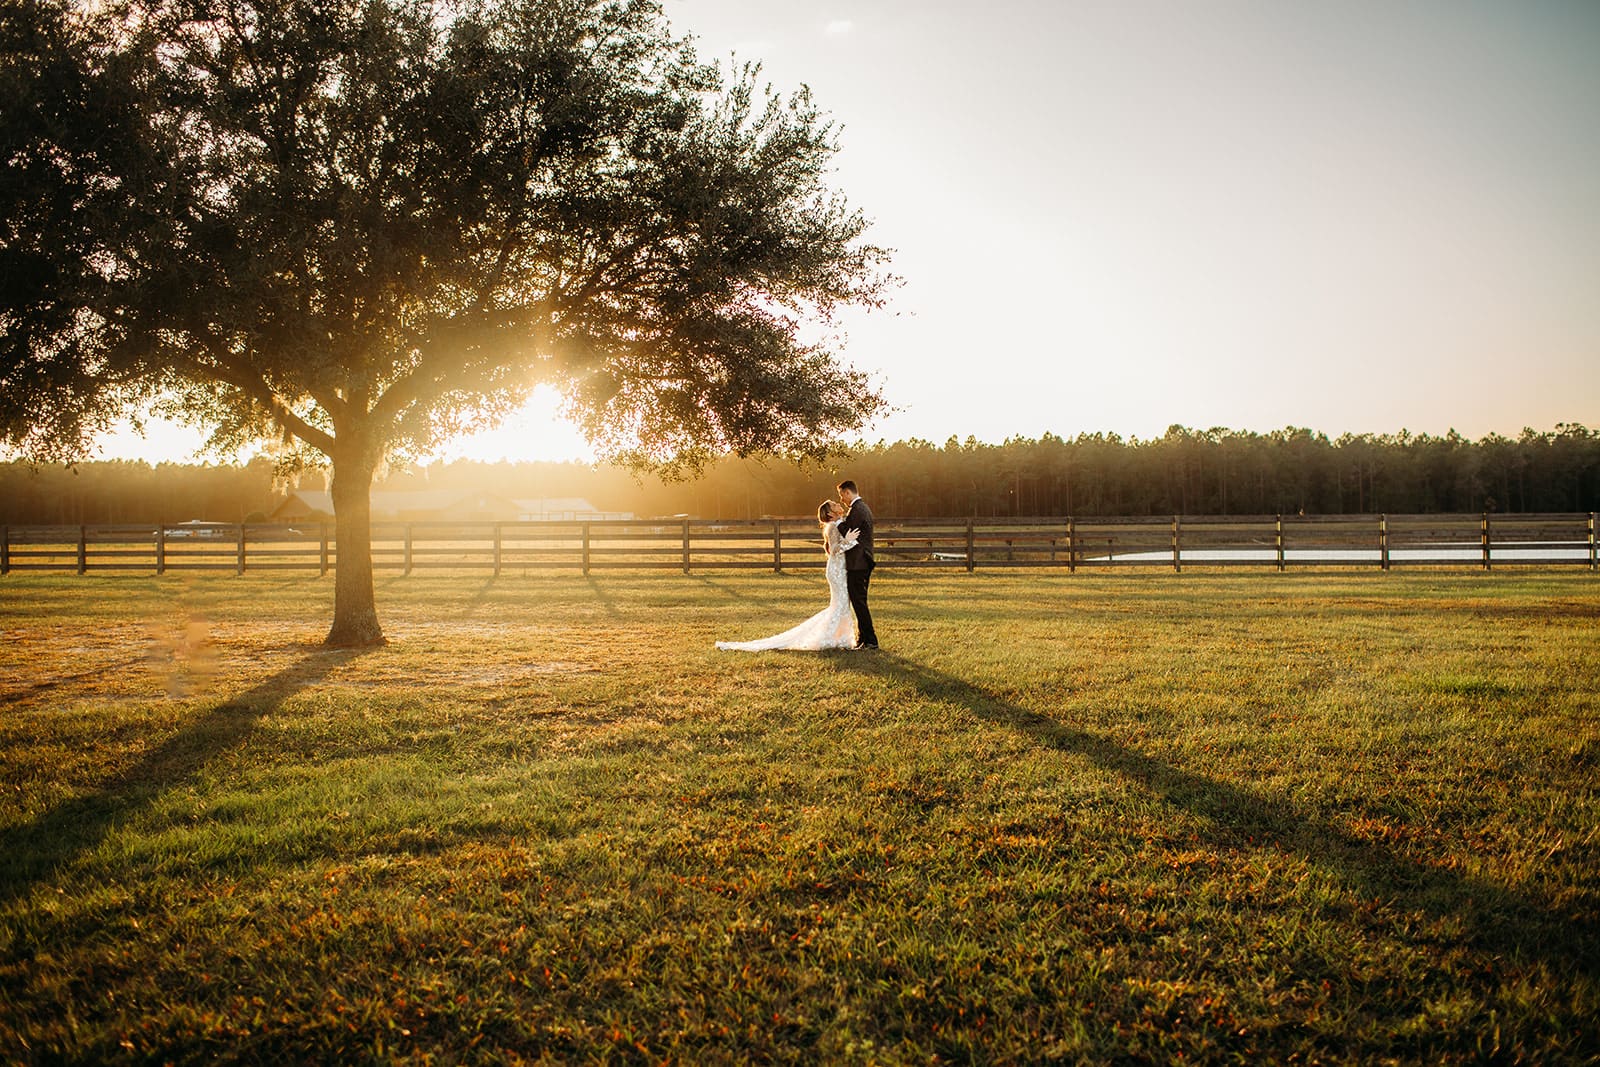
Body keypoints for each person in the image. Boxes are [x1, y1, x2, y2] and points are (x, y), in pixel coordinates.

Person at [715, 500, 859, 651]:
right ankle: (830, 638)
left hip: (840, 569)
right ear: (830, 513)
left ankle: (841, 637)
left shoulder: (837, 524)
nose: (837, 504)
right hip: (836, 571)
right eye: (834, 504)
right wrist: (849, 541)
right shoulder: (832, 527)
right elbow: (835, 549)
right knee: (840, 604)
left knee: (841, 604)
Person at [834, 479, 878, 650]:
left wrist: (838, 522)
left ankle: (871, 640)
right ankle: (863, 639)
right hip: (862, 561)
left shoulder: (857, 510)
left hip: (859, 563)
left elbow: (849, 534)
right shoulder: (862, 508)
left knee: (859, 601)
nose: (841, 500)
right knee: (860, 601)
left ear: (847, 492)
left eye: (841, 495)